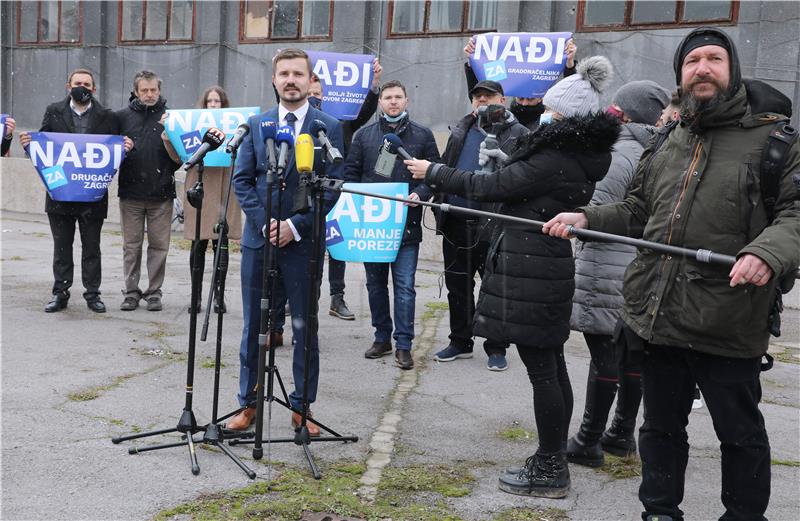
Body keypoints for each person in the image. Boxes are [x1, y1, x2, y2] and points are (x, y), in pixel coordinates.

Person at [543, 27, 800, 521]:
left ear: (732, 70)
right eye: (692, 61)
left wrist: (766, 253)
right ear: (680, 75)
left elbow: (794, 213)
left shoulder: (774, 140)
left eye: (713, 59)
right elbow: (641, 208)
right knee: (659, 428)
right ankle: (659, 510)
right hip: (655, 315)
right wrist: (589, 218)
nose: (702, 68)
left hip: (728, 317)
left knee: (739, 432)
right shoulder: (669, 137)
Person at [407, 56, 619, 498]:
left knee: (543, 371)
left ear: (564, 118)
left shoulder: (556, 156)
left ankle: (549, 468)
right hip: (541, 263)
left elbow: (493, 186)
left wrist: (435, 173)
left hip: (532, 268)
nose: (542, 115)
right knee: (552, 366)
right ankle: (554, 454)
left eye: (550, 111)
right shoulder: (574, 153)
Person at [230, 48, 345, 435]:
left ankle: (302, 407)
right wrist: (267, 225)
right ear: (275, 80)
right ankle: (248, 405)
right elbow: (242, 182)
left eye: (299, 73)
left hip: (302, 245)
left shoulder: (327, 127)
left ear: (310, 81)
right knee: (254, 327)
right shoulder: (256, 125)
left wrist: (295, 226)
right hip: (260, 244)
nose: (291, 80)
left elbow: (331, 188)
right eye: (284, 74)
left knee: (303, 326)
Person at [566, 80, 670, 468]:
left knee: (605, 353)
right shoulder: (655, 148)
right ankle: (621, 434)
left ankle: (589, 439)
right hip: (638, 264)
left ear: (624, 112)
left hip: (608, 265)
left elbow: (598, 211)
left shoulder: (621, 152)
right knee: (629, 355)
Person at [343, 79, 440, 370]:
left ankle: (404, 345)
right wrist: (361, 200)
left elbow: (435, 173)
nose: (393, 101)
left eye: (398, 96)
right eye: (388, 97)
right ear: (381, 102)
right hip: (373, 227)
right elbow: (351, 174)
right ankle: (382, 336)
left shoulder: (422, 136)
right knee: (375, 285)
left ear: (407, 101)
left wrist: (420, 195)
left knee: (405, 286)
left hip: (407, 226)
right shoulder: (364, 136)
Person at [433, 79, 527, 372]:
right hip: (456, 222)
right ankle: (460, 341)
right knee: (457, 287)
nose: (482, 101)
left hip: (493, 225)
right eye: (477, 96)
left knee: (494, 289)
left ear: (502, 99)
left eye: (489, 96)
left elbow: (523, 175)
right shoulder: (461, 129)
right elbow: (447, 166)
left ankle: (496, 347)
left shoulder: (519, 133)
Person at [19, 69, 132, 313]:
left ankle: (93, 294)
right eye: (78, 83)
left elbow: (115, 150)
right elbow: (44, 148)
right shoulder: (53, 111)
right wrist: (30, 147)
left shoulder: (108, 117)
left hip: (92, 195)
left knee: (92, 247)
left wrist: (126, 147)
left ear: (94, 89)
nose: (82, 86)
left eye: (87, 83)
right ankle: (60, 292)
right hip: (60, 194)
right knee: (62, 247)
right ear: (68, 86)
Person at [161, 86, 243, 314]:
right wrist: (169, 130)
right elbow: (178, 155)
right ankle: (195, 296)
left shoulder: (234, 125)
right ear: (204, 105)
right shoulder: (193, 126)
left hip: (225, 187)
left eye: (218, 101)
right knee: (198, 243)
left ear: (224, 105)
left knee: (221, 244)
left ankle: (218, 295)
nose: (214, 105)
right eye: (210, 101)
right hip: (200, 186)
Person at [116, 70, 180, 312]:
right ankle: (131, 292)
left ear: (159, 90)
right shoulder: (121, 117)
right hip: (130, 194)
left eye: (154, 90)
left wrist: (169, 136)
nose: (150, 94)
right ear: (135, 91)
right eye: (145, 90)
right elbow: (109, 155)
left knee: (159, 247)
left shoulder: (171, 118)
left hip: (162, 194)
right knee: (131, 247)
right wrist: (123, 150)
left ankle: (154, 292)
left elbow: (179, 159)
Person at [463, 37, 577, 131]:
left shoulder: (549, 120)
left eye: (530, 99)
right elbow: (479, 99)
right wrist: (472, 60)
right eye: (521, 98)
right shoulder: (503, 117)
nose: (524, 103)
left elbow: (570, 98)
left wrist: (570, 65)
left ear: (541, 97)